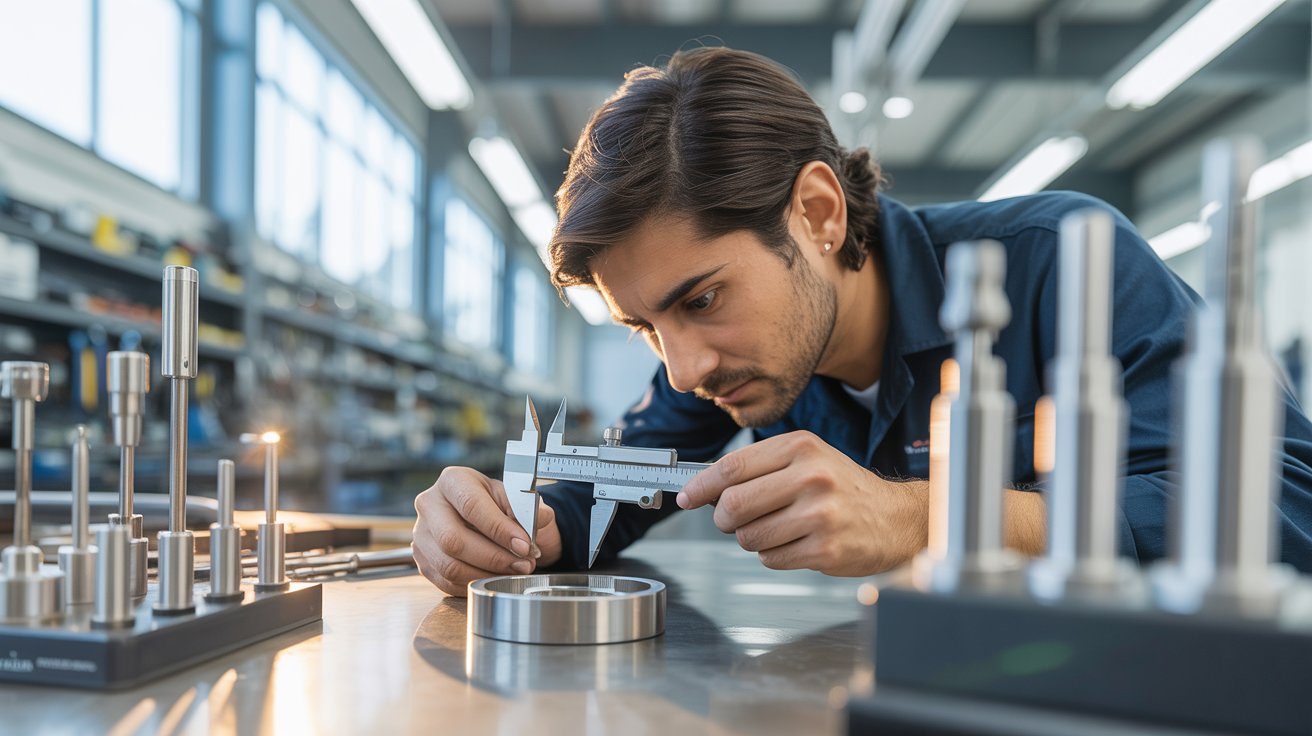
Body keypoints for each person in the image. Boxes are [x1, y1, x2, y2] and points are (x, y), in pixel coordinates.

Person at [411, 46, 1312, 596]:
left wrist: (926, 517)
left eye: (700, 299)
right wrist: (513, 527)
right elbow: (619, 480)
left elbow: (1280, 506)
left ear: (817, 212)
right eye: (645, 328)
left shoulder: (1062, 259)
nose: (683, 368)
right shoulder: (734, 370)